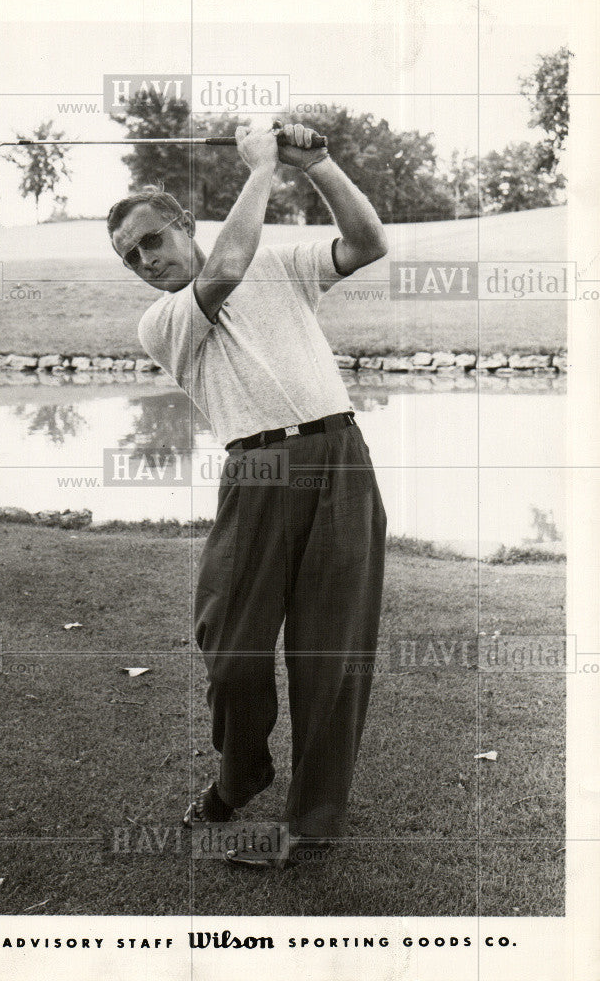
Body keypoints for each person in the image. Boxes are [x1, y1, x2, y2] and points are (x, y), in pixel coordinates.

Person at [106, 122, 388, 867]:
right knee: (228, 649)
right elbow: (226, 268)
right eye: (131, 256)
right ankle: (242, 771)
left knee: (330, 654)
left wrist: (319, 163)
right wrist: (263, 167)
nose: (145, 261)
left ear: (181, 226)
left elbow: (366, 243)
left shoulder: (284, 265)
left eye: (152, 241)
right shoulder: (161, 319)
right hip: (256, 472)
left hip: (339, 459)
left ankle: (311, 824)